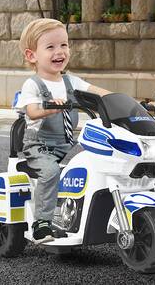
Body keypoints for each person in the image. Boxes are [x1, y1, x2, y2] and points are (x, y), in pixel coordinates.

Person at [16, 18, 110, 244]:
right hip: (40, 146)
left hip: (68, 143)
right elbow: (31, 111)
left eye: (64, 45)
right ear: (32, 56)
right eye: (50, 47)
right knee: (50, 172)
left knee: (97, 161)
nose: (60, 52)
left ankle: (77, 216)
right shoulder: (33, 85)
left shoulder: (71, 81)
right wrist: (50, 108)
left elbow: (100, 93)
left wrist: (127, 102)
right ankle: (42, 224)